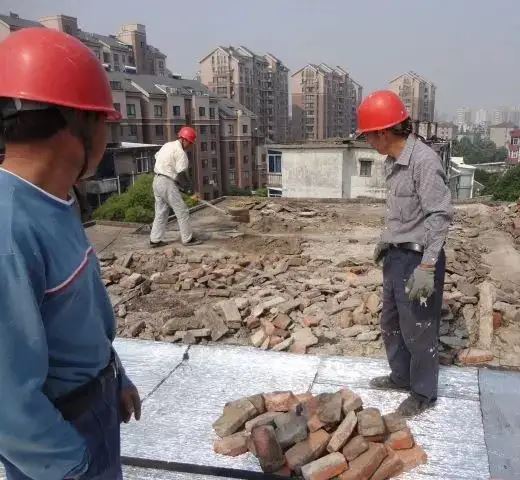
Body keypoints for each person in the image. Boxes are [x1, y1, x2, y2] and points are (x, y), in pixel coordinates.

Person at [0, 28, 141, 479]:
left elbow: (80, 313)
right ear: (77, 122)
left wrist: (114, 377)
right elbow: (6, 398)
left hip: (92, 409)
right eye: (105, 122)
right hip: (59, 442)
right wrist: (70, 466)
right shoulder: (8, 231)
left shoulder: (55, 200)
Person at [356, 90, 453, 417]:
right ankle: (401, 376)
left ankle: (423, 393)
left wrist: (427, 266)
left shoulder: (423, 161)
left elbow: (439, 215)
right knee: (392, 321)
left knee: (419, 328)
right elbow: (402, 213)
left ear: (383, 132)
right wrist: (387, 240)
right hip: (396, 257)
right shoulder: (393, 162)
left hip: (418, 260)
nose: (368, 141)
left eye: (368, 135)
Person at [150, 126, 202, 247]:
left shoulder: (167, 145)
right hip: (166, 182)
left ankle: (155, 240)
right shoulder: (180, 153)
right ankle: (187, 239)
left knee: (161, 212)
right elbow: (182, 175)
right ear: (184, 139)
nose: (190, 145)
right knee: (182, 211)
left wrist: (177, 184)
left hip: (157, 180)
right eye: (190, 142)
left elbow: (157, 157)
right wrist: (191, 192)